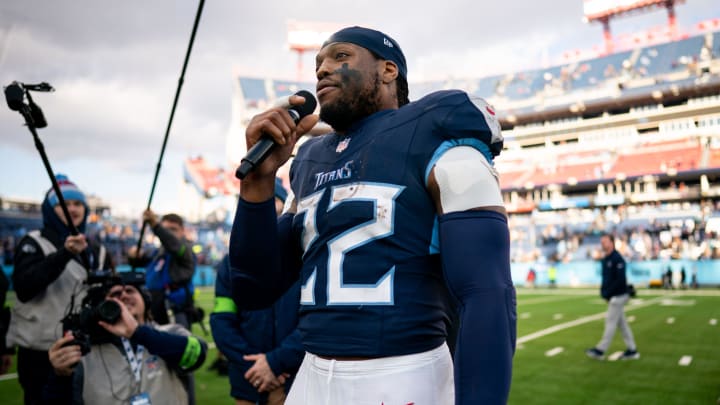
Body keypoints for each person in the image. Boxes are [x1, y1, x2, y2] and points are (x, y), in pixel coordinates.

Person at [228, 26, 515, 405]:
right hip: (311, 374)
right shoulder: (310, 160)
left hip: (402, 374)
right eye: (318, 64)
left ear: (388, 70)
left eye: (340, 56)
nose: (322, 70)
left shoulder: (434, 131)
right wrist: (258, 184)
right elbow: (253, 287)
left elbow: (487, 292)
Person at [6, 174, 114, 405]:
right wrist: (65, 254)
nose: (72, 209)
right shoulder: (33, 241)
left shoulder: (97, 249)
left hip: (87, 349)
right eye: (63, 204)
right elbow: (24, 288)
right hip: (40, 351)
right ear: (50, 209)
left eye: (77, 204)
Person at [44, 272, 207, 404]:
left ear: (145, 301)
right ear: (102, 307)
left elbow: (198, 353)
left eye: (130, 290)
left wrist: (138, 333)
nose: (124, 295)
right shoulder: (85, 351)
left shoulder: (170, 331)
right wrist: (60, 375)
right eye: (115, 294)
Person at [212, 178, 305, 405]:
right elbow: (222, 322)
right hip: (248, 379)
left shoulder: (306, 259)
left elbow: (316, 323)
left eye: (274, 201)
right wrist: (258, 366)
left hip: (293, 377)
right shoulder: (230, 264)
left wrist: (276, 362)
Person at [129, 210, 196, 329]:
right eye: (166, 229)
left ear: (182, 231)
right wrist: (133, 256)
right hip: (153, 308)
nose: (168, 233)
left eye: (173, 229)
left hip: (174, 309)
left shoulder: (185, 250)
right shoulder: (157, 252)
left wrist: (156, 225)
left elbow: (173, 244)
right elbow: (138, 262)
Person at [586, 233, 639, 360]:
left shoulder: (617, 258)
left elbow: (620, 280)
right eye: (602, 242)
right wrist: (604, 293)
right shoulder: (606, 259)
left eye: (605, 242)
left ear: (611, 243)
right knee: (622, 324)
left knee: (610, 322)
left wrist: (608, 293)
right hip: (612, 296)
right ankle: (632, 350)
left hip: (618, 296)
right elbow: (606, 280)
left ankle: (600, 350)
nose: (603, 244)